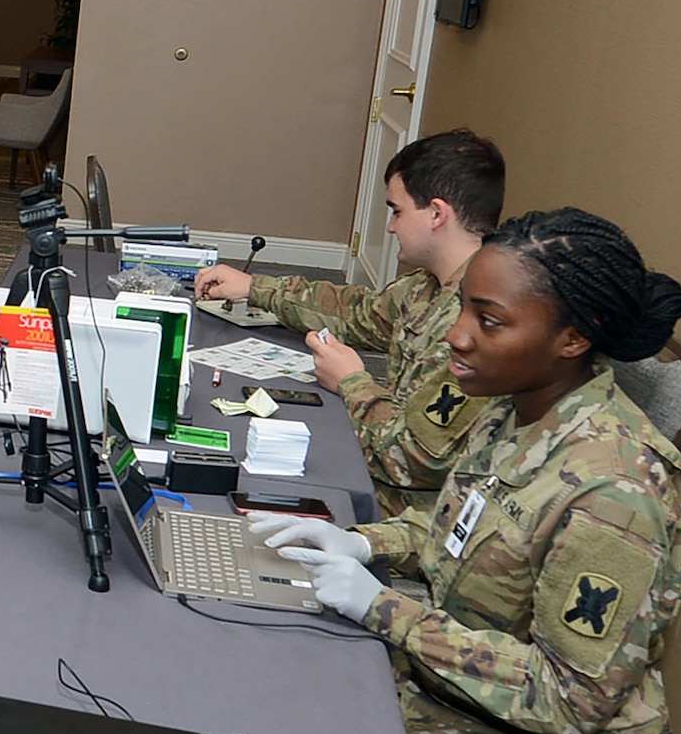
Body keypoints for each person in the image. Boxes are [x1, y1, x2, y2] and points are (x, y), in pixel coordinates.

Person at [251, 208, 681, 734]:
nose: (458, 337)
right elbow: (459, 532)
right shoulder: (515, 405)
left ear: (572, 338)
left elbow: (567, 698)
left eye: (487, 320)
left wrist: (385, 609)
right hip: (469, 703)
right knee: (266, 699)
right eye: (465, 309)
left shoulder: (617, 492)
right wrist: (361, 539)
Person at [194, 129, 508, 516]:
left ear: (438, 214)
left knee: (239, 476)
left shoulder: (479, 320)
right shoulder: (428, 286)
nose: (391, 227)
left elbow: (415, 460)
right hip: (377, 454)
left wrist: (351, 383)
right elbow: (356, 312)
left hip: (414, 509)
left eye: (397, 211)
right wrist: (256, 288)